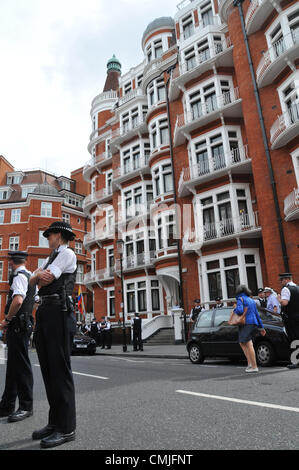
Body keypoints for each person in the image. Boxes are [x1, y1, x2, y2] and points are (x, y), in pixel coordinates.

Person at [29, 221, 77, 449]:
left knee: (60, 371)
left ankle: (66, 428)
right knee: (49, 372)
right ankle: (54, 422)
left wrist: (36, 275)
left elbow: (46, 278)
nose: (47, 238)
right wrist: (37, 275)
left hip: (60, 311)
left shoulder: (66, 253)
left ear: (58, 235)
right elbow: (37, 279)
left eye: (49, 235)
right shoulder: (52, 256)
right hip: (47, 311)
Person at [0, 251, 35, 421]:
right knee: (14, 366)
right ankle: (7, 405)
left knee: (21, 366)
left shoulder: (19, 276)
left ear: (12, 264)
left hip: (18, 325)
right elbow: (34, 300)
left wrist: (7, 319)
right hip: (23, 323)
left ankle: (26, 406)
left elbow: (18, 300)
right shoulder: (30, 275)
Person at [233, 285, 266, 373]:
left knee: (247, 343)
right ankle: (250, 363)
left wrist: (235, 309)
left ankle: (254, 366)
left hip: (245, 323)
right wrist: (261, 327)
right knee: (243, 342)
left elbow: (239, 311)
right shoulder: (251, 300)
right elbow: (257, 314)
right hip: (253, 322)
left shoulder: (240, 299)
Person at [277, 273, 299, 369]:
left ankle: (295, 361)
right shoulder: (297, 288)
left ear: (286, 279)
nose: (281, 282)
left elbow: (285, 303)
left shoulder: (286, 289)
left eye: (281, 280)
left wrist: (279, 299)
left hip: (291, 318)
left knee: (293, 339)